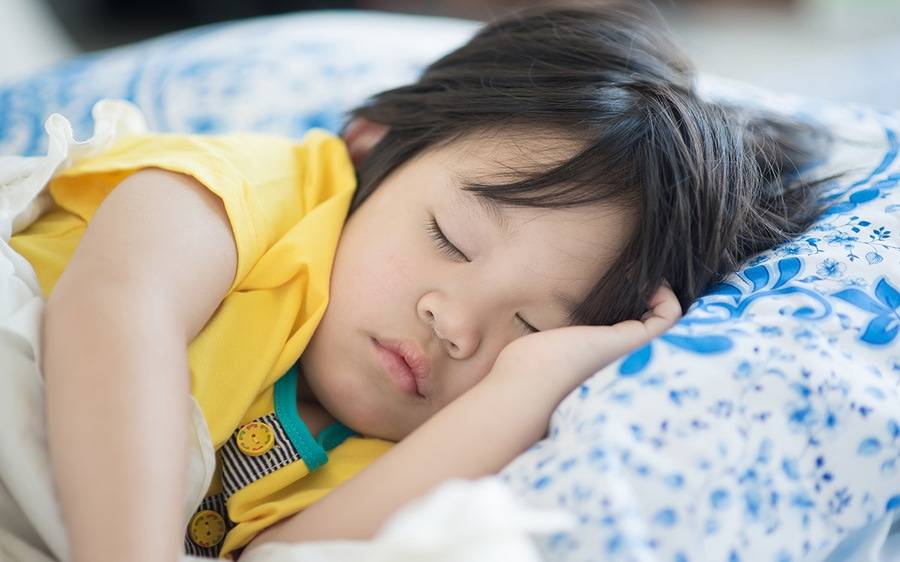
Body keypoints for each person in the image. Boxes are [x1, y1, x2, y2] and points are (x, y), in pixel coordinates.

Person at [3, 1, 842, 561]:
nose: (455, 322)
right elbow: (120, 307)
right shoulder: (266, 196)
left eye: (533, 325)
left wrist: (528, 385)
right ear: (370, 144)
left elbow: (298, 553)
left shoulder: (399, 447)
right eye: (451, 237)